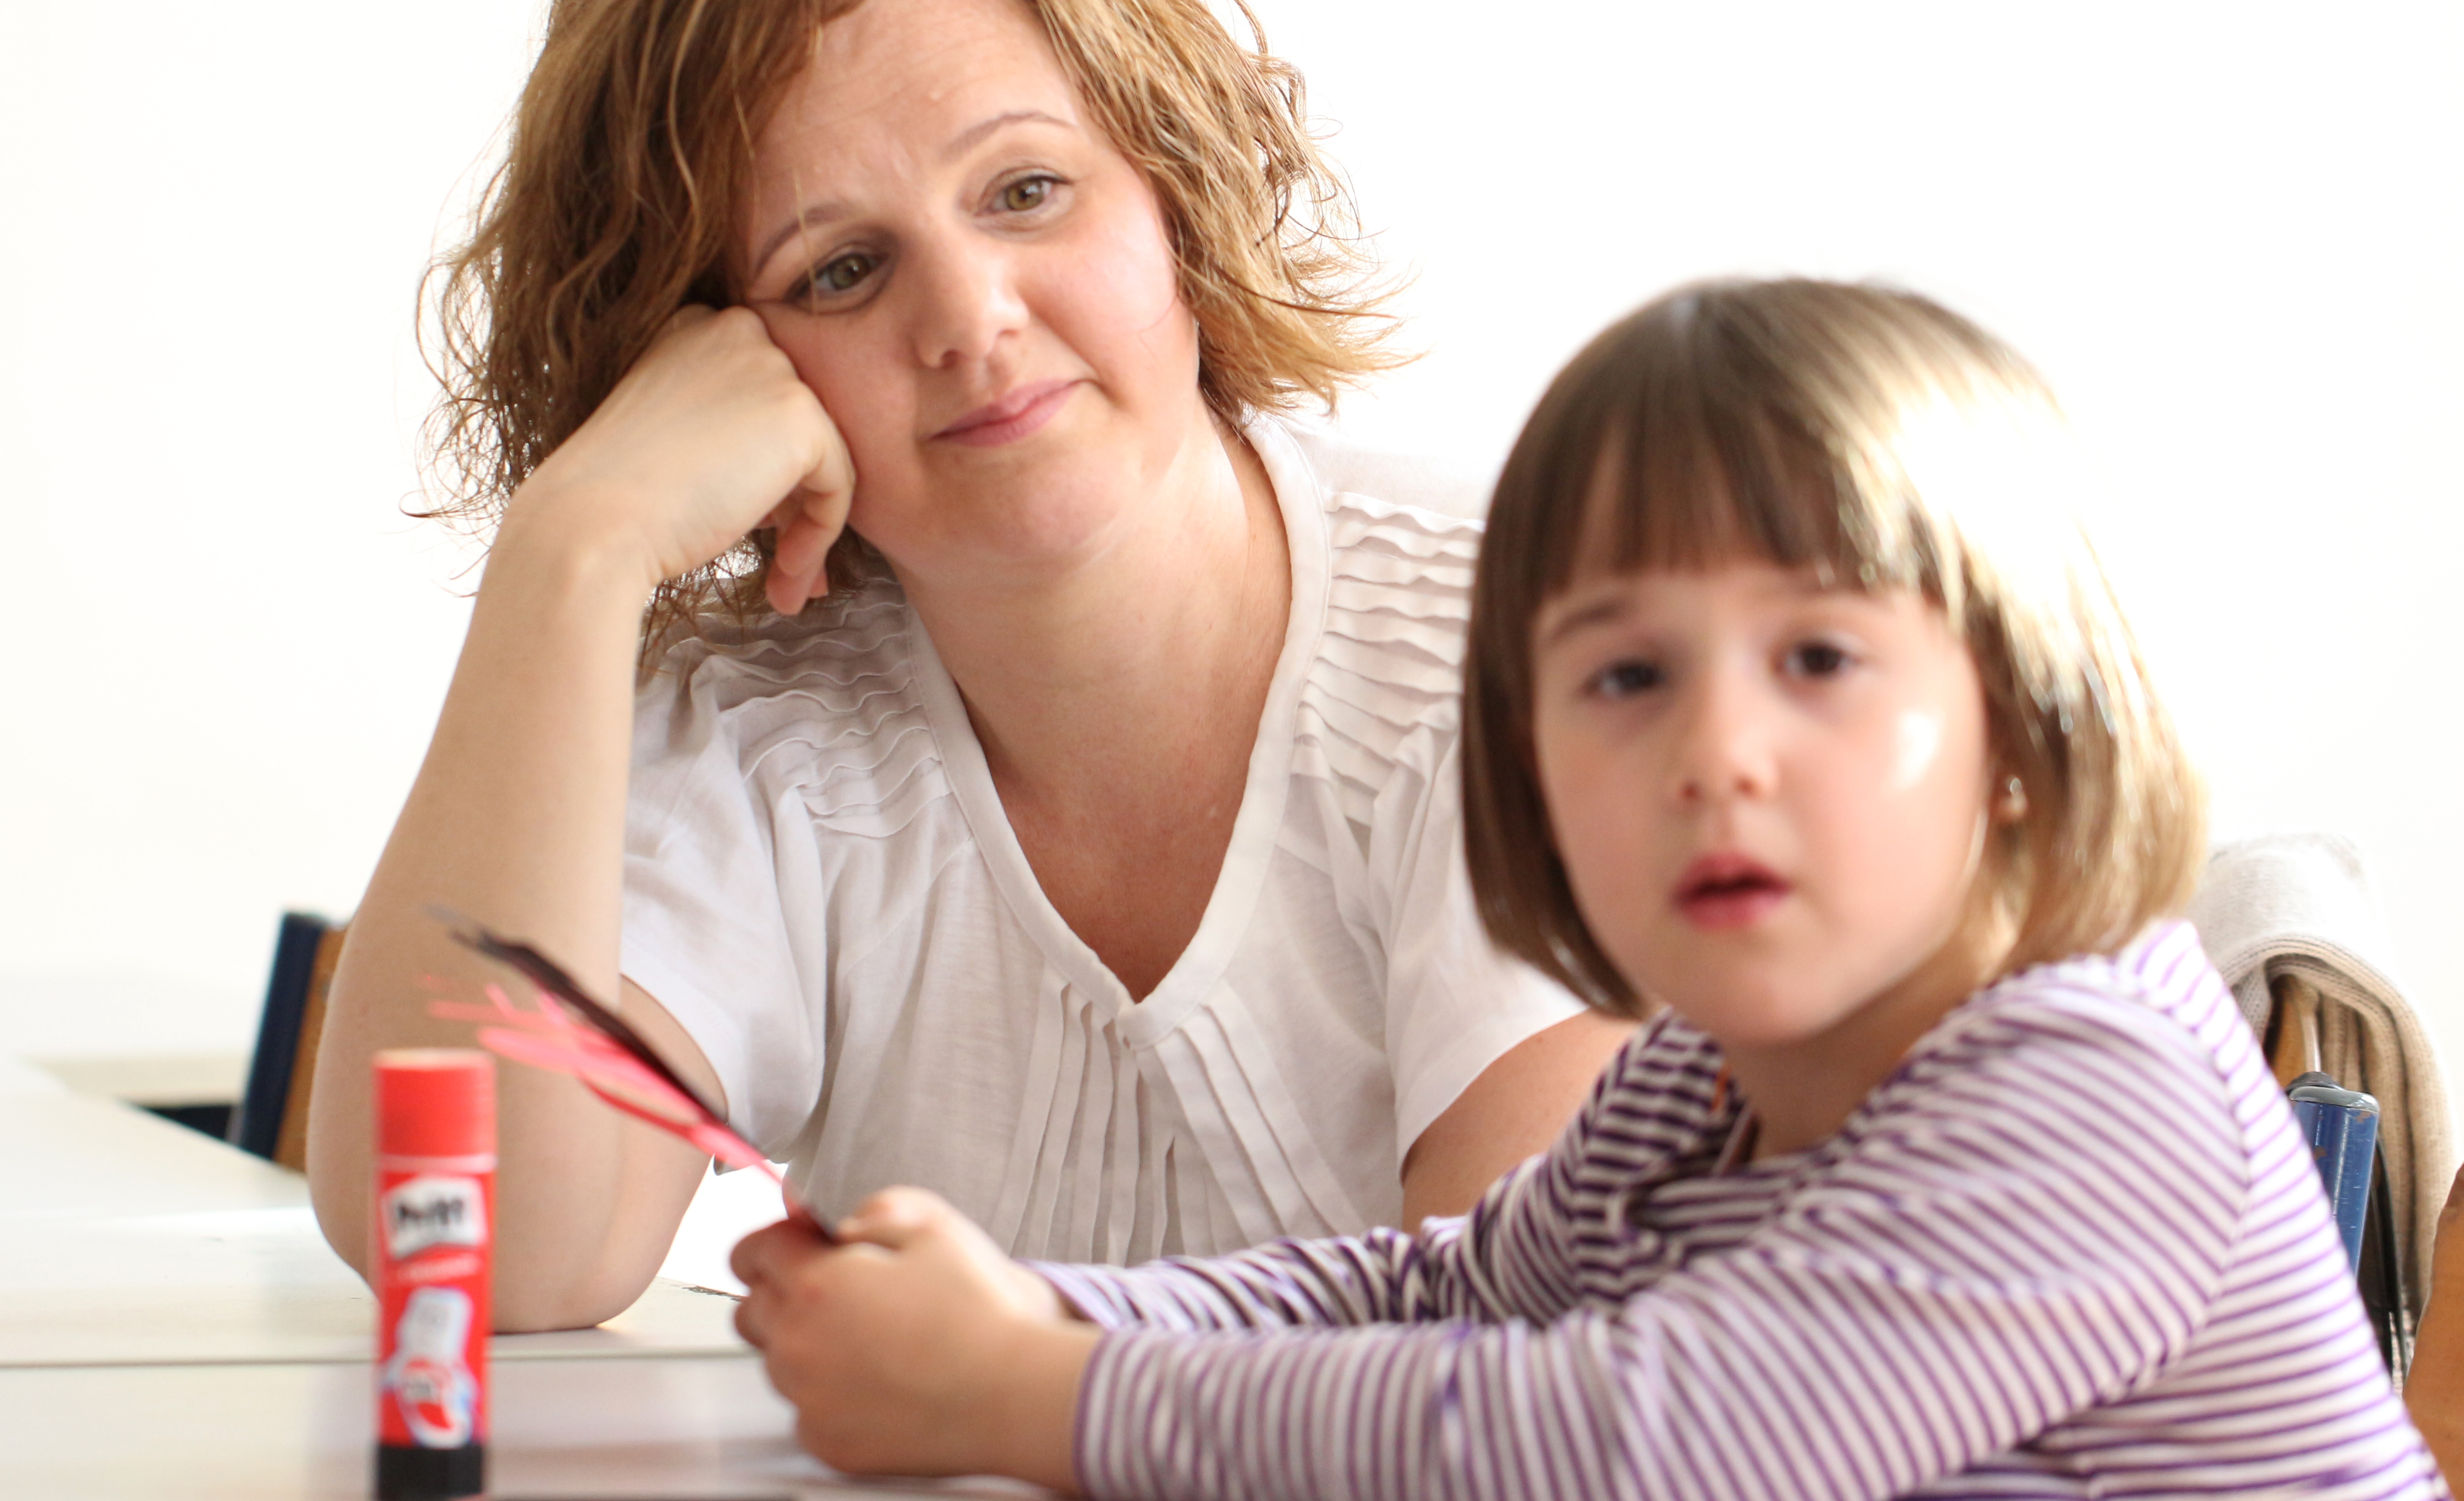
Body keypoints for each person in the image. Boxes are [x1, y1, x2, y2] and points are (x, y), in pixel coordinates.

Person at [729, 280, 2449, 1497]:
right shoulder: (1701, 1084)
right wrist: (1032, 1312)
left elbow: (1639, 1447)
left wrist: (1045, 1395)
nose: (1715, 752)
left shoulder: (2091, 1081)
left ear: (2022, 725)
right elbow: (1444, 1293)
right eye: (1625, 677)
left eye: (1819, 658)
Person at [303, 0, 1624, 1332]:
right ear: (713, 365)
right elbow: (472, 1252)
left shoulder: (1522, 628)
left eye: (1025, 190)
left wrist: (1008, 1386)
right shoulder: (762, 726)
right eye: (839, 270)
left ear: (1174, 187)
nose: (969, 317)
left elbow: (1508, 1338)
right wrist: (574, 546)